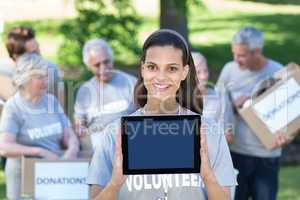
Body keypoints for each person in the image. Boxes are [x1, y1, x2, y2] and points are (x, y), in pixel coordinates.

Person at [87, 29, 236, 200]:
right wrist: (114, 184)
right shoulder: (114, 134)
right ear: (143, 70)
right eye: (152, 67)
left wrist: (208, 177)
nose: (161, 77)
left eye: (172, 68)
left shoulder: (210, 132)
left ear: (184, 72)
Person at [216, 26, 293, 200]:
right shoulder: (229, 70)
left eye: (241, 55)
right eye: (234, 54)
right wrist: (234, 108)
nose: (236, 60)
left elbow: (291, 116)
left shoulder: (278, 73)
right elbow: (218, 106)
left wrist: (287, 135)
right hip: (236, 154)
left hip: (266, 157)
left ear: (257, 52)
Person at [0, 53, 79, 200]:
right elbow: (4, 147)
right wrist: (40, 151)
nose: (46, 81)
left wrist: (72, 148)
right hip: (25, 179)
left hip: (55, 176)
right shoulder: (13, 107)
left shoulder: (51, 101)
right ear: (24, 79)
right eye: (40, 77)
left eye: (46, 76)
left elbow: (68, 132)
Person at [74, 39, 137, 151]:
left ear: (112, 60)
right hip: (96, 144)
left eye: (106, 62)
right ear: (88, 66)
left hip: (128, 141)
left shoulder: (131, 83)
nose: (103, 69)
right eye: (97, 65)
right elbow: (79, 123)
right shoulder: (85, 91)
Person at [5, 26, 61, 97]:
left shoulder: (50, 69)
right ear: (15, 56)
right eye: (33, 53)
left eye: (38, 47)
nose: (39, 55)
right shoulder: (5, 73)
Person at [192, 52, 234, 144]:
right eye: (198, 72)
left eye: (205, 71)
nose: (203, 76)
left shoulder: (219, 99)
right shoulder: (178, 102)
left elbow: (229, 138)